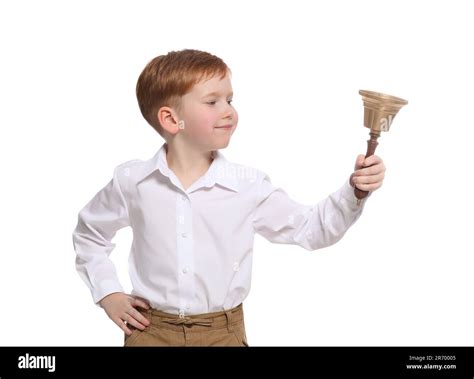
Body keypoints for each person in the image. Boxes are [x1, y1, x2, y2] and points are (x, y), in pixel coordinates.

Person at [72, 49, 386, 346]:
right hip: (150, 332)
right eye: (212, 102)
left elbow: (312, 229)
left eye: (230, 100)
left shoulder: (248, 186)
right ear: (170, 120)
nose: (229, 112)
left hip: (223, 334)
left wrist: (354, 192)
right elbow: (90, 234)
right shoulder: (133, 181)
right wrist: (108, 293)